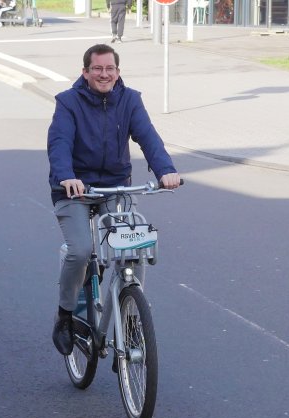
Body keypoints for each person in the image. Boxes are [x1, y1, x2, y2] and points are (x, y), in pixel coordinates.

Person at [46, 44, 180, 355]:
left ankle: (132, 314)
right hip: (74, 189)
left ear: (118, 72)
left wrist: (166, 171)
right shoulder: (68, 102)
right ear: (85, 72)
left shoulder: (130, 100)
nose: (104, 74)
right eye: (97, 69)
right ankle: (65, 316)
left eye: (110, 69)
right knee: (80, 251)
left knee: (133, 248)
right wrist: (67, 176)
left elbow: (148, 137)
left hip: (115, 188)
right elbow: (59, 142)